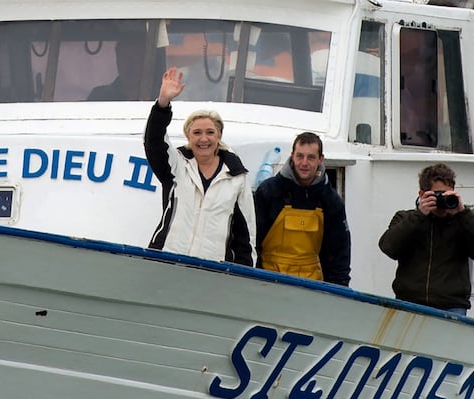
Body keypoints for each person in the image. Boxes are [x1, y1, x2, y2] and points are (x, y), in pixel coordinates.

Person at [143, 67, 256, 265]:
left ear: (219, 135)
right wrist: (163, 103)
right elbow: (153, 141)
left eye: (210, 132)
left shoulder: (237, 178)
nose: (204, 139)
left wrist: (243, 277)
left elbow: (245, 235)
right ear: (188, 136)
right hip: (166, 264)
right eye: (196, 133)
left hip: (212, 273)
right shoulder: (176, 165)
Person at [378, 163, 474, 315]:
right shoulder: (405, 218)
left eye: (447, 195)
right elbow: (388, 247)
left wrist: (463, 213)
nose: (441, 200)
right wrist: (419, 215)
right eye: (437, 195)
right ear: (422, 194)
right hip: (409, 303)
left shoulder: (462, 222)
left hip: (451, 306)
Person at [253, 132, 351, 285]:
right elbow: (252, 241)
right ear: (292, 156)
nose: (304, 163)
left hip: (311, 287)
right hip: (267, 282)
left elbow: (339, 256)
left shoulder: (331, 201)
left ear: (320, 159)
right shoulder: (268, 191)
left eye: (311, 157)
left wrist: (339, 292)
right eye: (300, 156)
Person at [87, 34, 147, 101]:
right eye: (125, 58)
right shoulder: (99, 97)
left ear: (145, 62)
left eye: (137, 58)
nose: (131, 65)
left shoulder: (156, 98)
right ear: (117, 60)